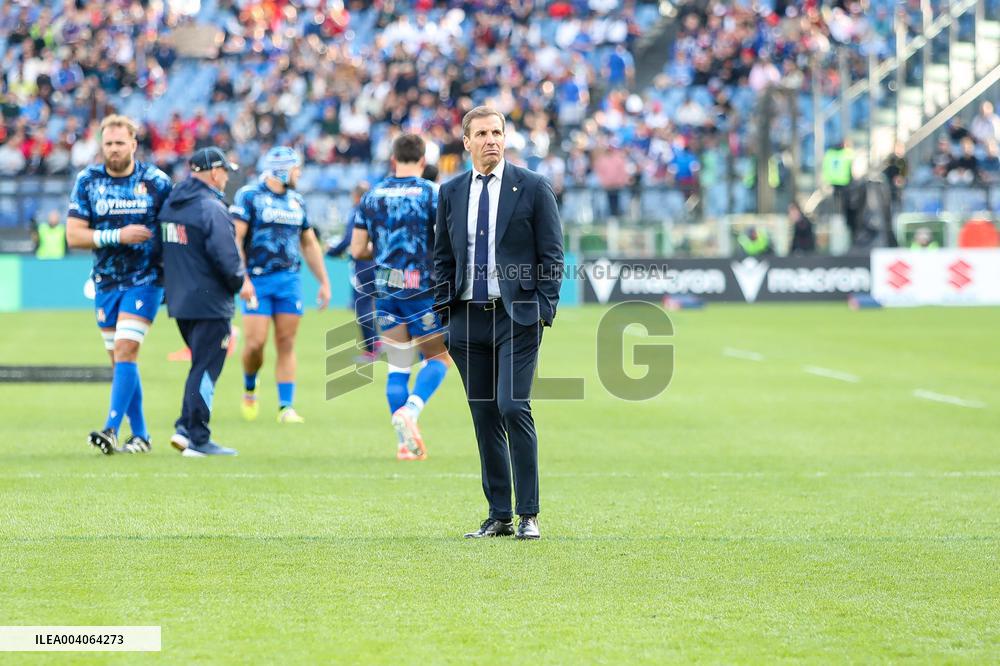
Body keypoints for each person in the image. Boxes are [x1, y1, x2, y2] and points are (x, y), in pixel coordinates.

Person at [433, 106, 564, 540]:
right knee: (484, 416)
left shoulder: (533, 187)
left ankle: (529, 513)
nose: (491, 139)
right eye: (482, 133)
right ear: (466, 141)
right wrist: (443, 311)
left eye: (497, 132)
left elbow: (552, 254)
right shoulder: (450, 192)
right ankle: (499, 516)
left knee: (512, 406)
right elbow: (442, 257)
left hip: (516, 317)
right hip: (466, 320)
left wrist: (544, 308)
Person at [65, 114, 173, 455]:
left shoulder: (156, 181)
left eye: (120, 143)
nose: (113, 149)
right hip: (106, 281)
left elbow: (175, 228)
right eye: (108, 143)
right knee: (120, 360)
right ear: (102, 145)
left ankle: (111, 429)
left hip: (146, 279)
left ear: (133, 145)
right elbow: (73, 236)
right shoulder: (88, 181)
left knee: (127, 350)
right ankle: (140, 436)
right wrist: (117, 236)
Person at [351, 134, 450, 461]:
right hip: (423, 290)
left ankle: (403, 445)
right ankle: (412, 408)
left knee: (398, 366)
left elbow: (357, 249)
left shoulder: (372, 195)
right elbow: (447, 242)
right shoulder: (433, 193)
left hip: (386, 289)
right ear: (423, 161)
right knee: (437, 359)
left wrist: (379, 250)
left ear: (393, 159)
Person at [231, 146, 331, 423]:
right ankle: (250, 386)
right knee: (255, 344)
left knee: (286, 343)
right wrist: (243, 278)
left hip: (289, 280)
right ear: (283, 169)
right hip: (257, 280)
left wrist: (323, 281)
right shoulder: (249, 196)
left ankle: (285, 407)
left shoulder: (297, 201)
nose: (299, 173)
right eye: (296, 168)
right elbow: (236, 239)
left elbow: (308, 243)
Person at [160, 147, 244, 456]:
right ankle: (197, 436)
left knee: (199, 365)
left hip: (181, 300)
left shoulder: (171, 203)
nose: (226, 177)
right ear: (212, 171)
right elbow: (227, 257)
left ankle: (185, 428)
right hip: (210, 302)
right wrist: (240, 283)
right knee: (207, 370)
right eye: (224, 171)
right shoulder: (211, 207)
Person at [327, 181, 379, 362]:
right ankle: (380, 343)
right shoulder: (377, 210)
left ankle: (372, 349)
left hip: (364, 265)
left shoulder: (358, 211)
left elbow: (350, 239)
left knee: (362, 306)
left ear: (356, 196)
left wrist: (332, 251)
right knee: (382, 304)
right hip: (380, 263)